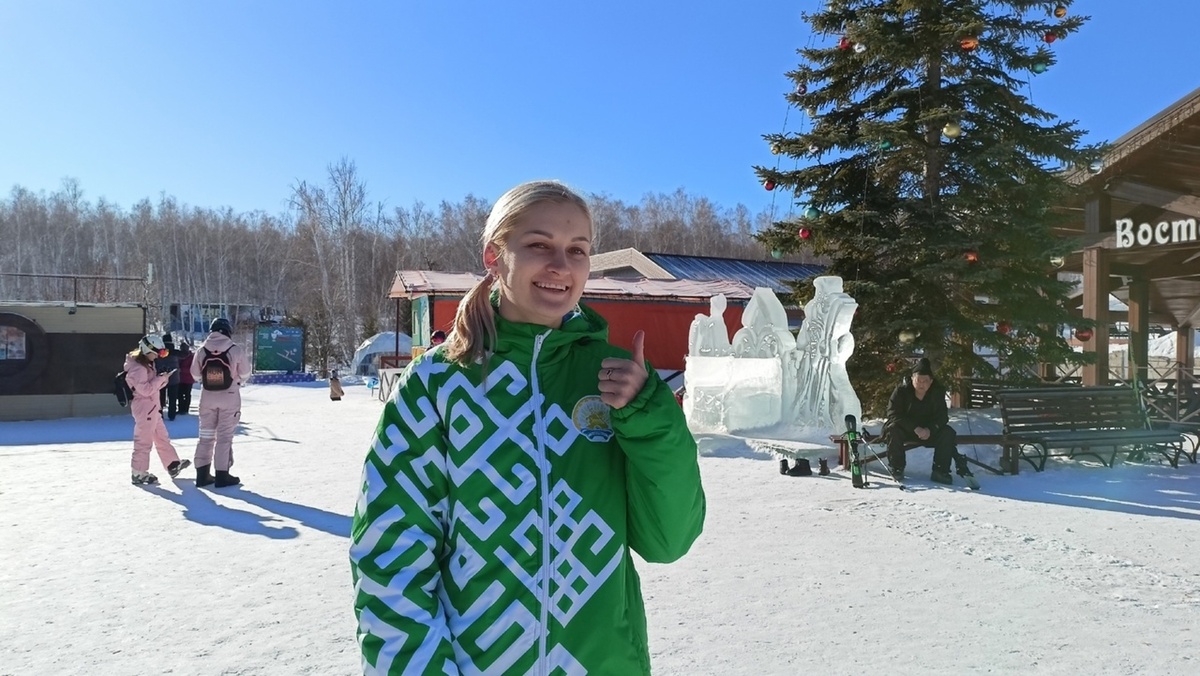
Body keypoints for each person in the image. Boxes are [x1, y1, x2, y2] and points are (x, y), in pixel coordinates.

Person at [349, 180, 706, 675]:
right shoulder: (438, 383)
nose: (561, 265)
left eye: (577, 250)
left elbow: (668, 540)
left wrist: (651, 417)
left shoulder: (618, 381)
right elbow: (390, 552)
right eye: (539, 245)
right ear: (494, 256)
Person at [884, 357, 975, 485]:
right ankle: (897, 467)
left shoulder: (937, 392)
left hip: (929, 431)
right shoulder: (901, 391)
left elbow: (942, 417)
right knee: (893, 429)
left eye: (925, 381)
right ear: (912, 379)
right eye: (918, 380)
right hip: (906, 429)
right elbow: (893, 414)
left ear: (931, 381)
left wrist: (930, 429)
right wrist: (914, 428)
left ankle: (940, 470)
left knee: (947, 432)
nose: (921, 384)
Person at [190, 317, 252, 488]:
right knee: (224, 437)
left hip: (207, 397)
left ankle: (202, 475)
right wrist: (236, 381)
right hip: (229, 396)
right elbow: (245, 373)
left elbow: (195, 374)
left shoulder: (201, 350)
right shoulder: (235, 349)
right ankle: (222, 475)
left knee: (205, 436)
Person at [123, 334, 191, 485]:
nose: (159, 356)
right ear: (148, 350)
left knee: (161, 437)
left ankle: (172, 464)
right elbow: (145, 390)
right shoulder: (138, 368)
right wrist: (161, 379)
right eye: (158, 353)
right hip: (145, 409)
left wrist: (163, 377)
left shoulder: (147, 364)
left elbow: (152, 387)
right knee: (143, 441)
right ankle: (138, 472)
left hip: (152, 407)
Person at [156, 332, 182, 420]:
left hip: (161, 376)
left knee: (160, 397)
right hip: (174, 377)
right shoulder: (175, 352)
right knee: (172, 398)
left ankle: (160, 414)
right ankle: (172, 415)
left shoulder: (159, 352)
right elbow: (184, 355)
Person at [176, 339, 195, 415]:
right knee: (180, 394)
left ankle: (185, 409)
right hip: (182, 379)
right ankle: (181, 409)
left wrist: (181, 369)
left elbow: (192, 368)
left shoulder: (191, 357)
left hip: (187, 379)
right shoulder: (180, 356)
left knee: (186, 394)